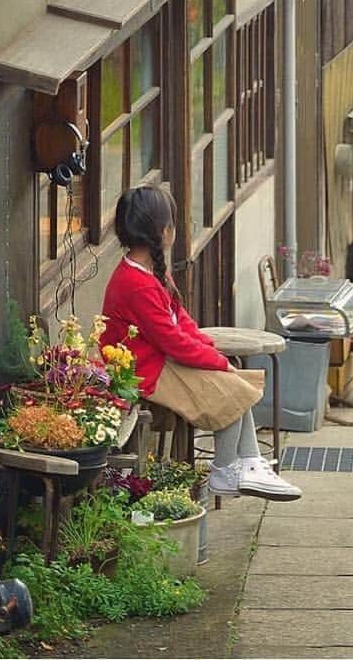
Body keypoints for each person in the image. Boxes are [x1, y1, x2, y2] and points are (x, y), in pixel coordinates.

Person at [100, 186, 301, 502]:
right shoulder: (136, 283)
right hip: (142, 371)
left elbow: (182, 322)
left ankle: (248, 462)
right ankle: (224, 469)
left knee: (230, 378)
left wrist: (209, 348)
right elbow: (173, 340)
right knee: (228, 386)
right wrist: (216, 360)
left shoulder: (148, 272)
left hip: (157, 360)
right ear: (164, 230)